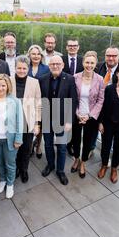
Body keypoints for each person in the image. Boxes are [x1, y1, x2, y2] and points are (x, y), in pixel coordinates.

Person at [40, 56, 79, 185]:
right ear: (49, 65)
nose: (55, 66)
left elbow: (73, 101)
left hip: (62, 119)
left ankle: (60, 171)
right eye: (52, 64)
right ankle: (50, 165)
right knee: (48, 144)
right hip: (46, 118)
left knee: (62, 147)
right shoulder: (43, 79)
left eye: (57, 64)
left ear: (62, 65)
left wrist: (69, 121)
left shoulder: (69, 79)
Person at [0, 74, 23, 199]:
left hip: (10, 139)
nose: (1, 88)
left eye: (3, 85)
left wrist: (18, 139)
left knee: (10, 163)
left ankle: (10, 184)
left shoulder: (15, 101)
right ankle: (2, 180)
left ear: (8, 86)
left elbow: (20, 121)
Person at [70, 51, 104, 178]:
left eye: (92, 63)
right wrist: (78, 113)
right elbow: (72, 97)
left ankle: (83, 162)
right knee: (76, 139)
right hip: (77, 114)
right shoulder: (75, 77)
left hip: (91, 117)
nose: (89, 65)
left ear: (95, 64)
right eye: (87, 62)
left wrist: (89, 115)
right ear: (83, 62)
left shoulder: (100, 79)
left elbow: (101, 100)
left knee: (88, 141)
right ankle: (76, 159)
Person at [11, 55, 42, 183]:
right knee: (14, 148)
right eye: (19, 68)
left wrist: (37, 124)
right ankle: (16, 168)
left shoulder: (34, 82)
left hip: (28, 121)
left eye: (24, 68)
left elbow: (38, 104)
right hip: (12, 122)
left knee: (26, 148)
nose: (22, 70)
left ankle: (24, 169)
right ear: (15, 68)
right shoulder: (8, 80)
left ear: (28, 68)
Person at [88, 46, 119, 158]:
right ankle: (91, 148)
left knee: (109, 136)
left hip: (113, 110)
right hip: (96, 106)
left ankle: (108, 156)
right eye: (108, 55)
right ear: (105, 56)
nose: (111, 58)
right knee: (93, 130)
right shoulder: (97, 67)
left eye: (114, 55)